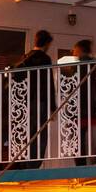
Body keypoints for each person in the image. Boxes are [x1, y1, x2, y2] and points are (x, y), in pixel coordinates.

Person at [13, 29, 56, 167]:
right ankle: (35, 162)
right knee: (40, 133)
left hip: (26, 101)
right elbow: (48, 82)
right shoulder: (45, 59)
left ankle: (24, 162)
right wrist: (52, 106)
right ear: (47, 44)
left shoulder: (26, 57)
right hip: (40, 100)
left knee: (27, 132)